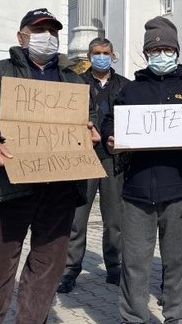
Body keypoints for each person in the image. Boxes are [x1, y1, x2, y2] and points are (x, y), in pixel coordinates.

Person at [0, 8, 100, 324]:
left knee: (48, 265)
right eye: (38, 30)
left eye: (52, 31)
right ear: (21, 35)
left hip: (61, 189)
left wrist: (90, 130)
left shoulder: (73, 79)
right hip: (8, 186)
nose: (46, 37)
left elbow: (88, 117)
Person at [101, 16, 182, 324]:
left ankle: (176, 316)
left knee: (179, 260)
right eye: (156, 50)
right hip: (136, 191)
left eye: (168, 48)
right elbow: (110, 123)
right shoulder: (130, 91)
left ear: (177, 51)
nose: (162, 54)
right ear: (146, 54)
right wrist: (110, 137)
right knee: (135, 262)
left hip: (180, 189)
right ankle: (134, 317)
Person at [57, 38, 129, 293]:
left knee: (115, 219)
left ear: (113, 55)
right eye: (97, 53)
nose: (101, 57)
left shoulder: (125, 86)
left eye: (106, 53)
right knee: (77, 218)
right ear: (89, 55)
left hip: (113, 159)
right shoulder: (76, 83)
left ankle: (114, 267)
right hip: (82, 156)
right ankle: (69, 269)